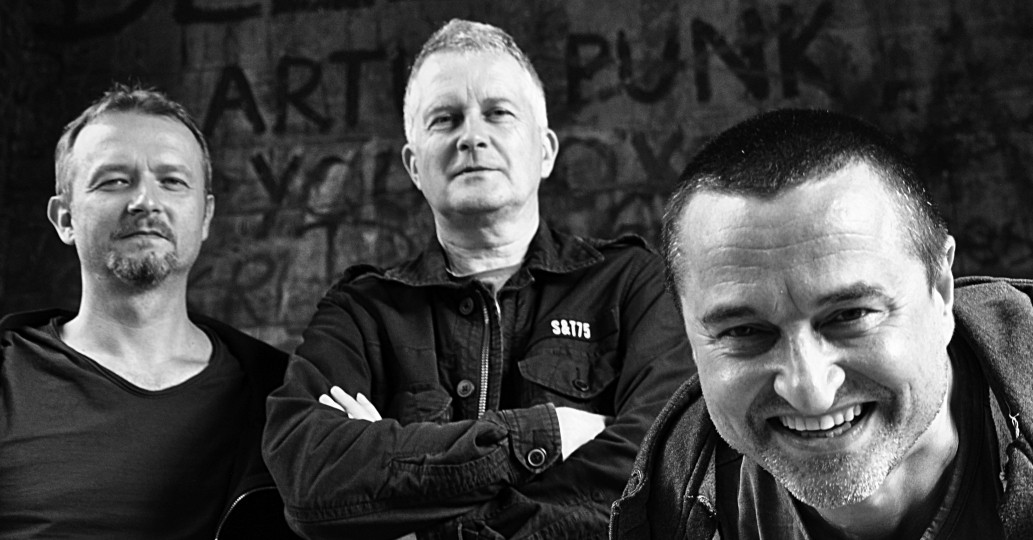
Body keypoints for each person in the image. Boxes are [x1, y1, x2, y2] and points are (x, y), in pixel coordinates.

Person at [262, 19, 694, 539]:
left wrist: (413, 508)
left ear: (546, 151)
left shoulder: (632, 286)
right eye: (445, 119)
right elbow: (311, 479)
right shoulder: (362, 312)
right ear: (414, 166)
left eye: (498, 113)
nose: (471, 136)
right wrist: (551, 433)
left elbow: (660, 472)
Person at [609, 108, 1033, 539]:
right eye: (744, 332)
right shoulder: (673, 505)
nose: (810, 391)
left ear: (940, 292)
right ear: (690, 338)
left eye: (850, 316)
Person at [0, 84, 297, 539]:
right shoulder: (8, 378)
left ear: (205, 217)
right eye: (114, 181)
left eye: (172, 181)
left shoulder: (284, 396)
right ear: (65, 218)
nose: (145, 201)